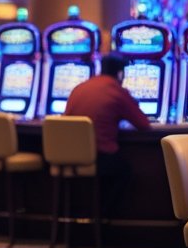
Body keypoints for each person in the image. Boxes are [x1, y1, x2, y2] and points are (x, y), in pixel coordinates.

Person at [63, 53, 152, 211]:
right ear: (120, 73)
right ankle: (104, 220)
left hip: (67, 155)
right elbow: (144, 125)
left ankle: (87, 218)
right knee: (125, 171)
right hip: (98, 156)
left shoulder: (80, 87)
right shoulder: (116, 91)